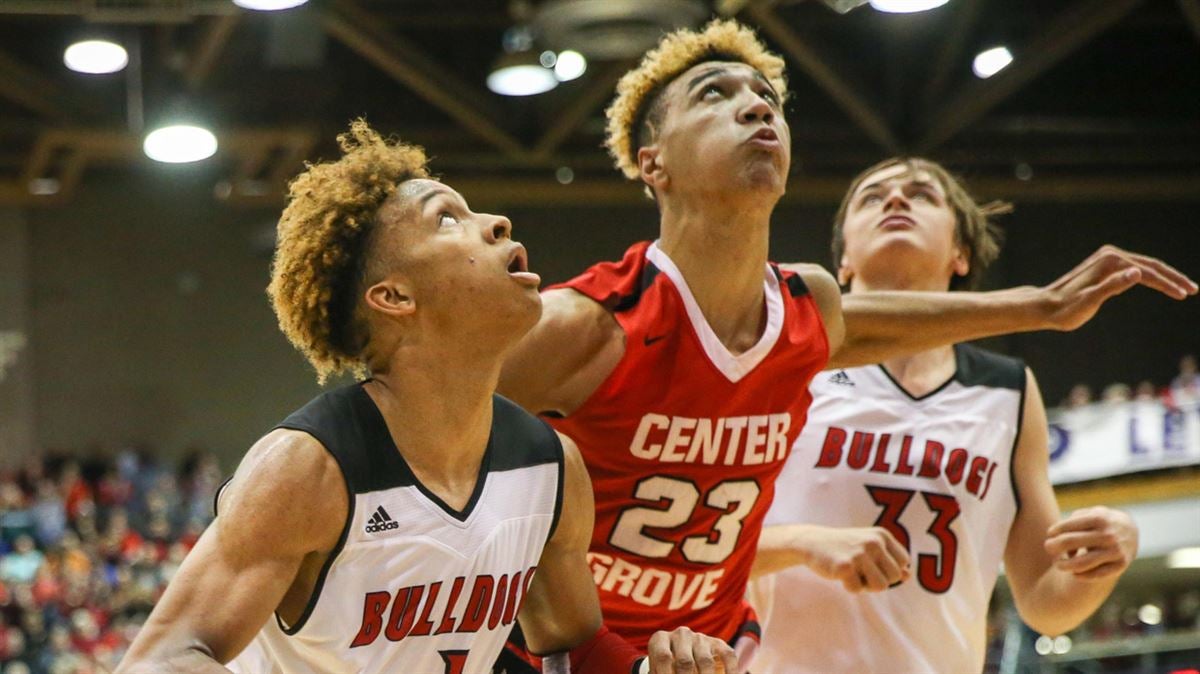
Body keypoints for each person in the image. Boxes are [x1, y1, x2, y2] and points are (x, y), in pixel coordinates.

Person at [495, 17, 1195, 666]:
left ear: (961, 249)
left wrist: (1044, 308)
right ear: (654, 164)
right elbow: (426, 440)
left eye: (769, 98)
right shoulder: (591, 325)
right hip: (608, 653)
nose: (759, 108)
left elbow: (1044, 599)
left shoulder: (822, 324)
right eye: (715, 94)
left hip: (720, 652)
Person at [114, 122, 736, 674]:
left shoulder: (550, 466)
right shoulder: (308, 470)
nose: (497, 222)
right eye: (447, 218)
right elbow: (162, 657)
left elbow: (571, 650)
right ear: (394, 297)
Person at [747, 158, 1141, 673]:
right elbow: (702, 547)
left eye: (922, 194)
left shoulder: (1010, 389)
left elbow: (1045, 602)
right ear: (842, 262)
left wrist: (1105, 560)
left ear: (960, 253)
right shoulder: (790, 356)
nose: (895, 200)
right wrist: (804, 542)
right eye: (872, 196)